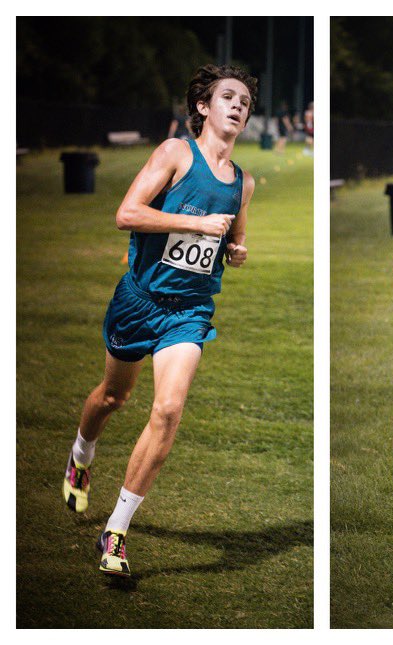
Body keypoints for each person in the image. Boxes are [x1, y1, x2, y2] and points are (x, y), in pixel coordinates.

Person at [62, 64, 257, 577]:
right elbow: (127, 213)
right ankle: (81, 457)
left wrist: (235, 251)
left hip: (188, 312)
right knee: (112, 397)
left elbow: (231, 240)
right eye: (228, 97)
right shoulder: (175, 153)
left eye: (245, 102)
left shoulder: (243, 182)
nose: (238, 106)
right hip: (139, 300)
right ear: (203, 107)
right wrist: (193, 222)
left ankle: (116, 531)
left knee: (168, 410)